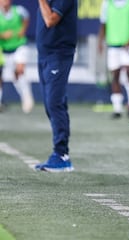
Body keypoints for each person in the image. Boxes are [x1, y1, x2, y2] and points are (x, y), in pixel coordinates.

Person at [34, 0, 77, 172]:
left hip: (58, 54)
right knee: (50, 104)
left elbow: (51, 20)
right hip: (45, 53)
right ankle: (61, 154)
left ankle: (61, 155)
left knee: (54, 102)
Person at [98, 0, 129, 118]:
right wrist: (100, 42)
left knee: (128, 71)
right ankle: (117, 108)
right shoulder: (107, 3)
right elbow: (104, 24)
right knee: (115, 75)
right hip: (113, 45)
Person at [0, 0, 34, 113]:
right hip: (4, 49)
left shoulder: (18, 10)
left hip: (19, 45)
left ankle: (27, 98)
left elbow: (26, 18)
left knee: (19, 70)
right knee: (12, 75)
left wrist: (22, 30)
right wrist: (2, 35)